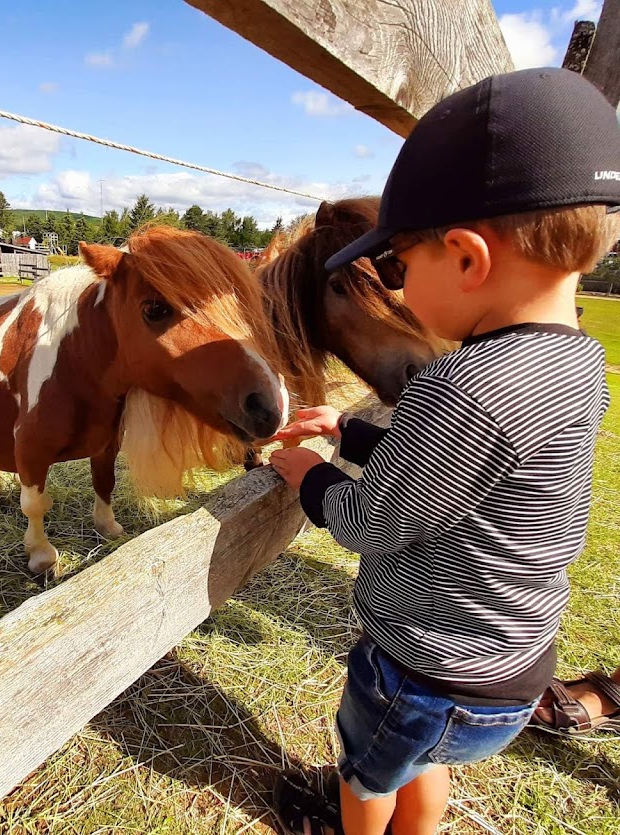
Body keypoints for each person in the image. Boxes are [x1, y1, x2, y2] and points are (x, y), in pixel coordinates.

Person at [265, 67, 620, 835]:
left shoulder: (460, 386)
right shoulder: (576, 362)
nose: (395, 287)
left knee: (365, 775)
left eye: (396, 267)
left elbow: (370, 521)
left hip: (422, 672)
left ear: (465, 256)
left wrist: (311, 473)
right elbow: (467, 468)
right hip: (511, 670)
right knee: (428, 762)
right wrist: (352, 430)